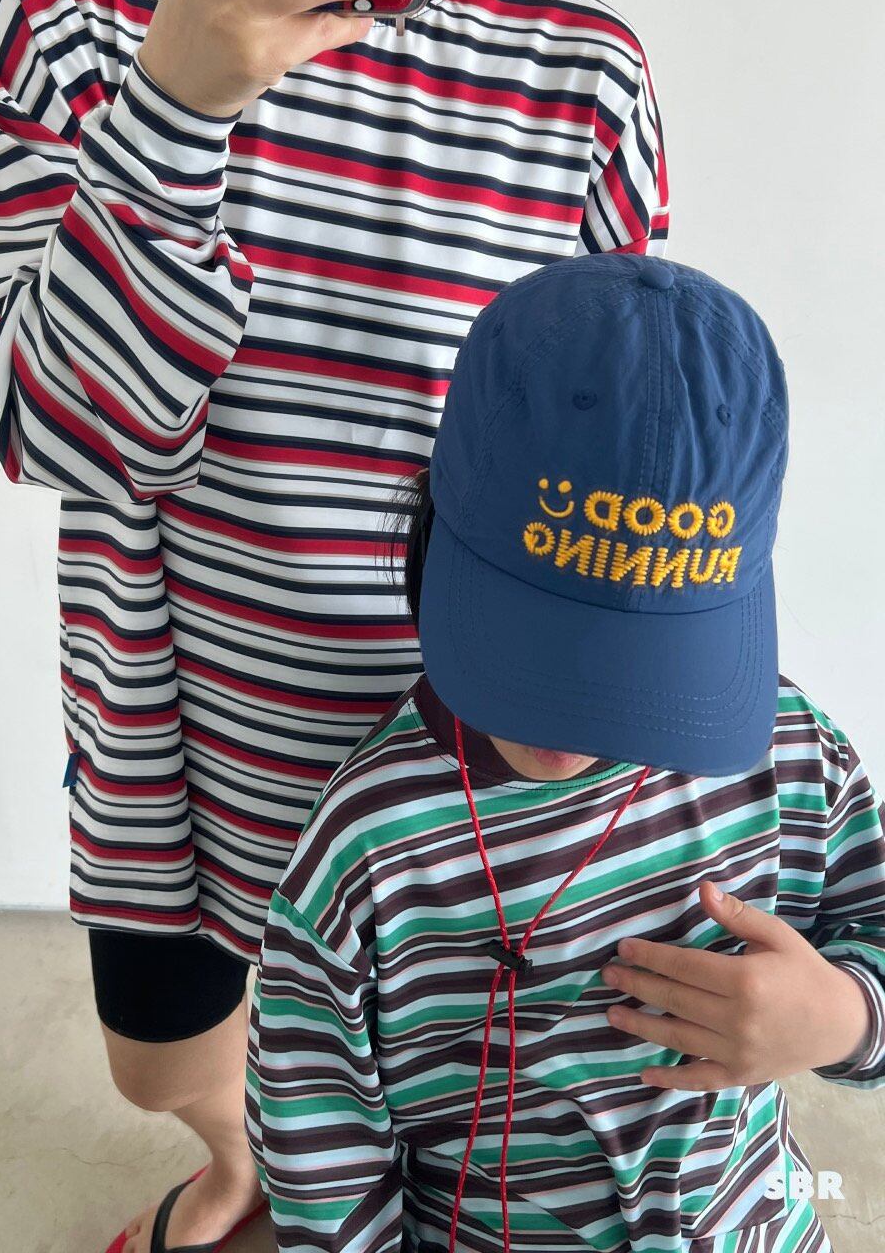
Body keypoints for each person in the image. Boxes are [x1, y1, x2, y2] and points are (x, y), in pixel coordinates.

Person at [0, 0, 668, 1246]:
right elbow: (56, 432)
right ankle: (239, 1158)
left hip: (459, 758)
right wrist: (173, 107)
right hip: (176, 737)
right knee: (162, 1062)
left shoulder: (584, 64)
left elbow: (604, 459)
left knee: (422, 1085)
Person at [247, 252, 885, 1253]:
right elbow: (317, 1139)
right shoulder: (369, 844)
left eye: (641, 673)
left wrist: (843, 1017)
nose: (581, 721)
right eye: (541, 654)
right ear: (435, 529)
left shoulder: (791, 757)